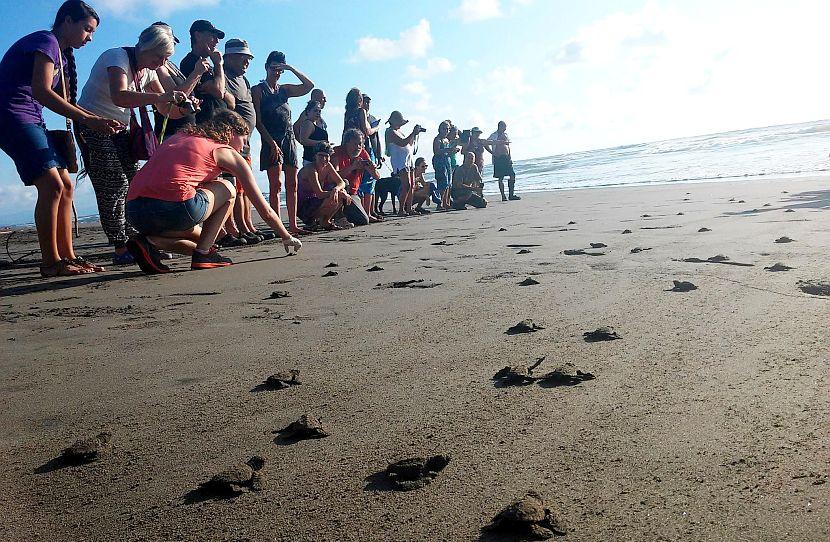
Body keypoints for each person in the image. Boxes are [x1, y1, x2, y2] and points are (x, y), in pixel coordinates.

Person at [0, 0, 120, 277]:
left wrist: (93, 119)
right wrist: (89, 119)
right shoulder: (46, 41)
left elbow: (53, 98)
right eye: (87, 29)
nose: (90, 37)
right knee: (52, 185)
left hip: (33, 117)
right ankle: (51, 262)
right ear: (67, 21)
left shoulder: (64, 55)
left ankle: (68, 256)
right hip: (11, 114)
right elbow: (41, 91)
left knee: (66, 185)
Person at [124, 110, 302, 273]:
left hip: (134, 212)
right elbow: (264, 209)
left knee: (198, 235)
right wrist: (286, 236)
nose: (244, 146)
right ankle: (203, 253)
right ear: (231, 132)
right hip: (172, 209)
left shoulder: (180, 136)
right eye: (244, 139)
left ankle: (150, 243)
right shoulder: (225, 151)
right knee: (228, 188)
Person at [78, 23, 187, 265]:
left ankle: (136, 242)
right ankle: (120, 246)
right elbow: (120, 95)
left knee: (133, 183)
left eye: (166, 59)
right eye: (159, 57)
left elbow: (165, 109)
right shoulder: (117, 57)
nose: (161, 63)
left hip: (120, 129)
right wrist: (161, 96)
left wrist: (185, 105)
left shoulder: (148, 70)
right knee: (114, 183)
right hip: (92, 124)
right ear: (145, 48)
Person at [216, 38, 275, 248]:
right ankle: (235, 227)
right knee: (233, 188)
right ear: (229, 56)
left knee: (245, 188)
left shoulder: (244, 80)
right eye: (243, 57)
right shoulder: (224, 76)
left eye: (248, 58)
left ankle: (248, 225)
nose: (247, 62)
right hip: (230, 141)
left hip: (246, 141)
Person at [252, 51, 314, 235]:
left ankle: (293, 225)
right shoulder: (258, 90)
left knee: (292, 184)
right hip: (271, 139)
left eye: (280, 69)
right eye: (274, 68)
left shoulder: (284, 90)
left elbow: (308, 86)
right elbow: (258, 120)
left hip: (289, 139)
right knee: (275, 185)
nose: (277, 72)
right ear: (266, 67)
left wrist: (290, 68)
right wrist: (271, 143)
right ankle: (277, 226)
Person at [151, 22, 206, 141]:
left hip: (186, 132)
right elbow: (174, 97)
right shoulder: (157, 66)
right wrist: (197, 72)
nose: (172, 44)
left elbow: (182, 95)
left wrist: (190, 99)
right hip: (170, 134)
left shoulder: (170, 65)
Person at [179, 20, 230, 124]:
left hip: (220, 126)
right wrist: (218, 64)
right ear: (197, 35)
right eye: (212, 35)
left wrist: (222, 90)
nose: (217, 41)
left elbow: (232, 102)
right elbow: (219, 92)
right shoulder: (190, 62)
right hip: (206, 126)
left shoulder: (209, 66)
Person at [342, 88, 381, 221]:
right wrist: (376, 128)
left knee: (356, 179)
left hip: (349, 148)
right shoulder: (361, 111)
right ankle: (367, 212)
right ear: (360, 100)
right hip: (362, 146)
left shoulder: (347, 113)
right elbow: (367, 130)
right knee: (369, 179)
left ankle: (361, 210)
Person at [296, 141, 353, 230]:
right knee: (339, 194)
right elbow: (320, 194)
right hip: (303, 207)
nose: (323, 159)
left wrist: (336, 190)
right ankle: (311, 222)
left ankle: (325, 221)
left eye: (326, 156)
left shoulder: (328, 166)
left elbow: (341, 182)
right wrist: (339, 193)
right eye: (320, 156)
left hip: (315, 201)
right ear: (315, 156)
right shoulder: (311, 169)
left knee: (340, 189)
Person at [331, 128, 379, 227]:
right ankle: (339, 217)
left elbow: (376, 177)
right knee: (344, 182)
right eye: (355, 144)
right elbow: (333, 176)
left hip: (353, 193)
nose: (358, 147)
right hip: (338, 190)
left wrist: (372, 169)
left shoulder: (363, 153)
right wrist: (352, 167)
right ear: (347, 143)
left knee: (363, 220)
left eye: (360, 144)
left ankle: (340, 215)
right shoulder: (337, 152)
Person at [384, 110, 423, 216]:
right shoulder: (390, 132)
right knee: (407, 185)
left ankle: (409, 208)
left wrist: (414, 135)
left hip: (407, 160)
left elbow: (409, 143)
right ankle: (401, 209)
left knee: (412, 185)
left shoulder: (399, 131)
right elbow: (402, 142)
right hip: (399, 161)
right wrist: (412, 133)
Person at [489, 120, 520, 201]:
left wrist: (510, 157)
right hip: (498, 158)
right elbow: (486, 143)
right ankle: (503, 196)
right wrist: (493, 153)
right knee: (500, 177)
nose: (505, 129)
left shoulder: (506, 135)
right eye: (504, 127)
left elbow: (508, 146)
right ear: (500, 126)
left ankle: (511, 194)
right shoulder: (494, 135)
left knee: (512, 175)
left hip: (506, 158)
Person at [295, 100, 328, 166]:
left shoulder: (316, 124)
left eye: (319, 111)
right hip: (311, 161)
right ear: (308, 111)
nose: (318, 113)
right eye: (315, 111)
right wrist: (321, 143)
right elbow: (303, 140)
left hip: (318, 161)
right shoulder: (308, 123)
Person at [432, 121, 456, 210]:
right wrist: (448, 150)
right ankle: (440, 203)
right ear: (439, 129)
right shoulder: (437, 139)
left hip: (447, 160)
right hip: (440, 161)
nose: (446, 131)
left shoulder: (447, 140)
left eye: (448, 129)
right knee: (442, 182)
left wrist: (452, 151)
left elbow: (447, 151)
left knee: (448, 183)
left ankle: (446, 202)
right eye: (444, 129)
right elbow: (436, 151)